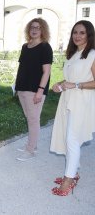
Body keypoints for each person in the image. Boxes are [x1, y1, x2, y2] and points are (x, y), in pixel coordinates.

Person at [50, 20, 95, 196]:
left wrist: (74, 84)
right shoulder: (73, 54)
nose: (77, 36)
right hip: (68, 99)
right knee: (67, 137)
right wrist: (60, 84)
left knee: (72, 140)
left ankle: (69, 179)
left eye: (82, 33)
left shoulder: (92, 54)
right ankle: (73, 173)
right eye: (75, 32)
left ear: (89, 35)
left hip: (82, 101)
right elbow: (70, 79)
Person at [15, 18, 53, 161]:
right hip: (22, 88)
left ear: (43, 30)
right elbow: (22, 68)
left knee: (33, 119)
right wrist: (17, 86)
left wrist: (40, 91)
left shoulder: (45, 47)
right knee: (30, 118)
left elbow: (47, 72)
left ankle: (30, 150)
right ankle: (33, 145)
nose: (34, 29)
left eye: (38, 27)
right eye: (32, 27)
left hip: (35, 89)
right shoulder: (26, 46)